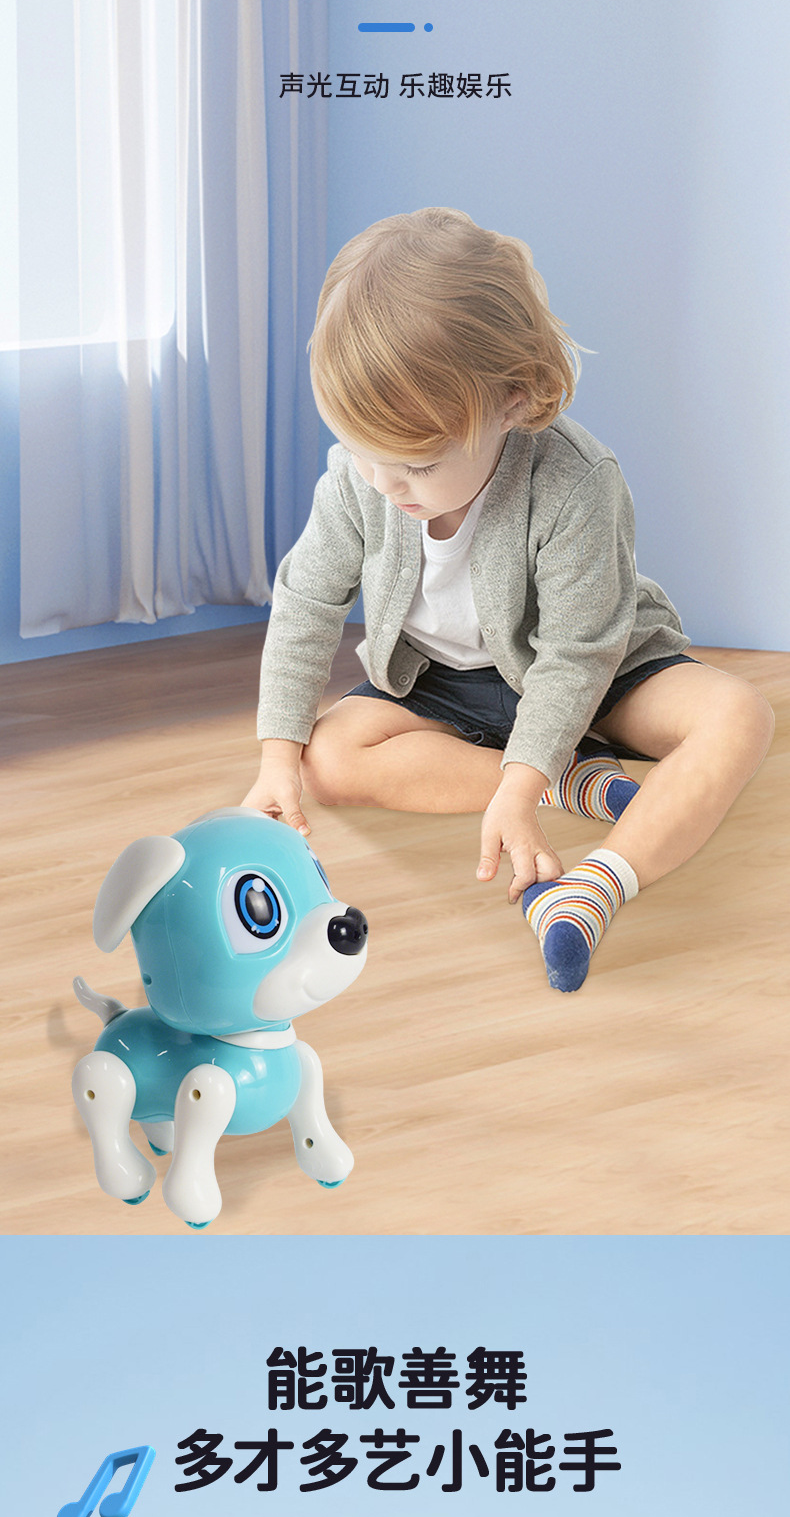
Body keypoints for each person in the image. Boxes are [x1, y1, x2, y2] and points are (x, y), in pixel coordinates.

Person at [244, 207, 773, 991]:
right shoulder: (364, 478)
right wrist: (275, 758)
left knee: (738, 716)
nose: (385, 484)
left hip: (594, 669)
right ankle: (570, 780)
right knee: (324, 759)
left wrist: (518, 786)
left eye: (418, 465)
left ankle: (598, 884)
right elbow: (306, 603)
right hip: (447, 684)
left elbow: (577, 657)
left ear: (514, 401)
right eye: (361, 452)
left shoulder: (575, 484)